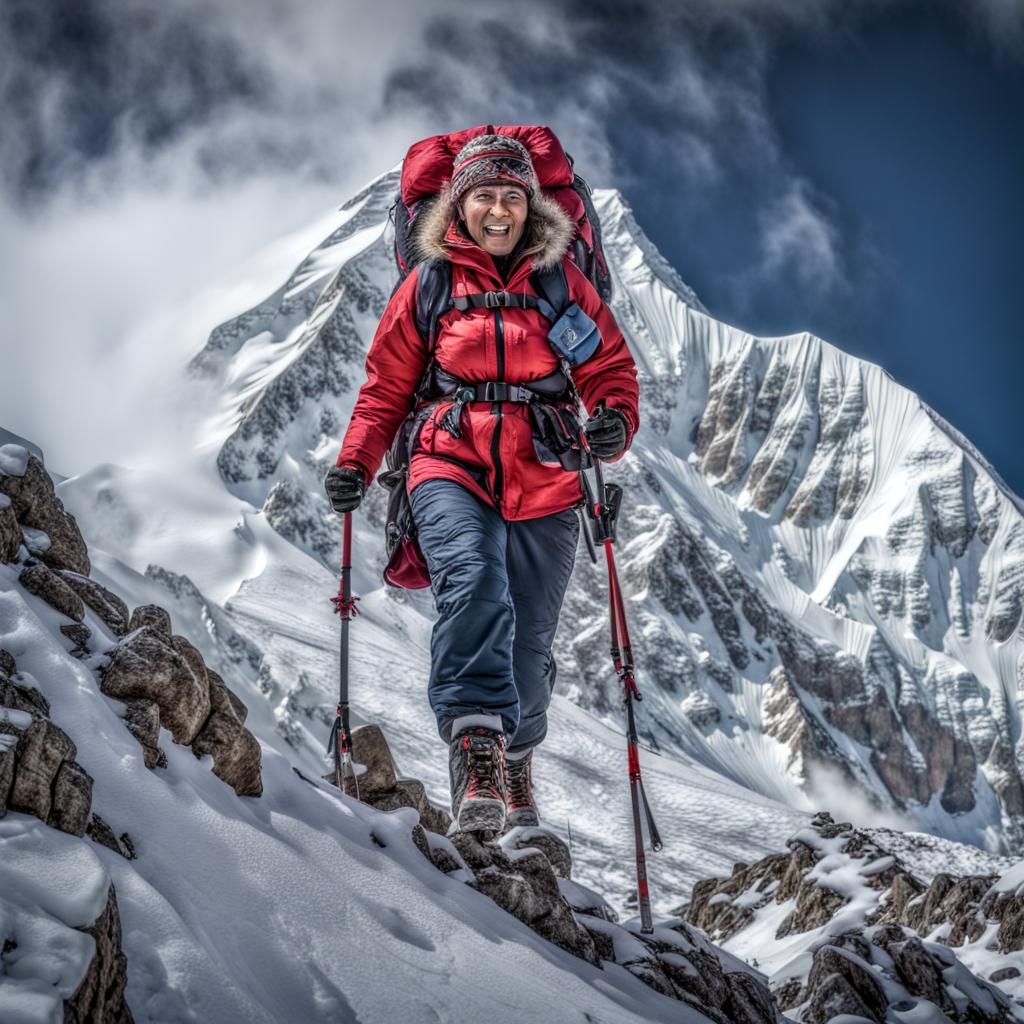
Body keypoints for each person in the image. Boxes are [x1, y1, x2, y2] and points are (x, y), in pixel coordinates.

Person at [325, 133, 640, 835]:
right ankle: (475, 749)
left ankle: (515, 754)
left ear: (530, 206)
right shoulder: (430, 285)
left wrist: (616, 418)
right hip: (448, 461)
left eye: (511, 196)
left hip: (548, 475)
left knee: (528, 645)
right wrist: (356, 461)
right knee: (471, 582)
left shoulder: (559, 283)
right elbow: (385, 388)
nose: (498, 210)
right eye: (483, 197)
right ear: (457, 207)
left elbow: (609, 368)